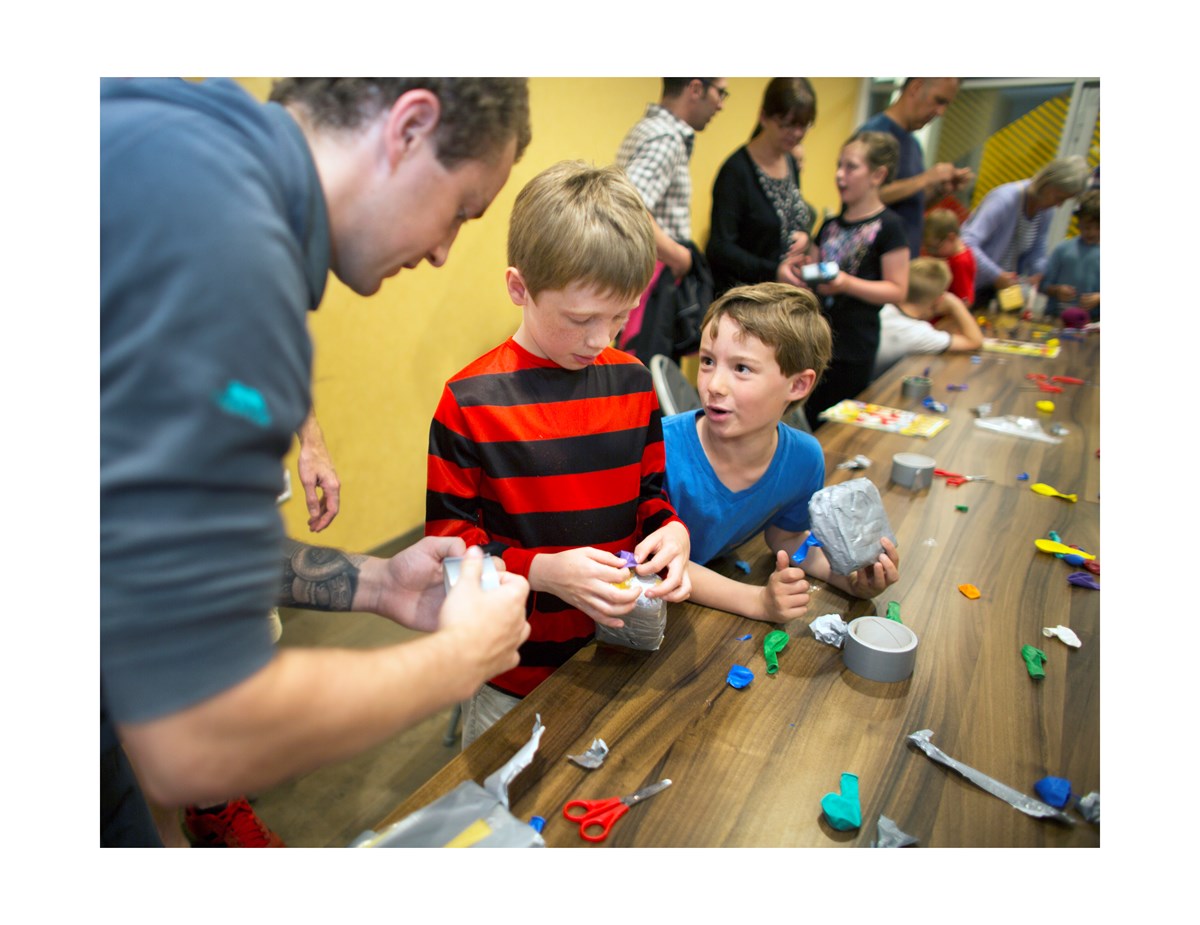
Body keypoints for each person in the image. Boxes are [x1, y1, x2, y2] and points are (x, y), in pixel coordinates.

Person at [101, 77, 535, 847]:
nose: (442, 253)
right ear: (409, 124)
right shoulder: (230, 253)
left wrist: (375, 580)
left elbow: (156, 544)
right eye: (461, 211)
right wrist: (458, 660)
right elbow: (197, 734)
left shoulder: (174, 131)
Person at [425, 161, 693, 748]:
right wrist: (540, 571)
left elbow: (650, 495)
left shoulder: (633, 382)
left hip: (616, 646)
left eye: (621, 317)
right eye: (581, 319)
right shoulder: (469, 404)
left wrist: (671, 531)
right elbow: (451, 557)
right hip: (511, 671)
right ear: (519, 288)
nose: (602, 340)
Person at [662, 283, 900, 622]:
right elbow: (654, 562)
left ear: (798, 385)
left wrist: (849, 581)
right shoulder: (660, 448)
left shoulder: (804, 459)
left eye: (741, 368)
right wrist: (758, 601)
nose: (713, 385)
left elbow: (786, 535)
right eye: (708, 361)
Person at [802, 131, 910, 430]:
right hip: (817, 341)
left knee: (840, 427)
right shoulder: (830, 225)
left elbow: (897, 289)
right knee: (810, 421)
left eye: (851, 167)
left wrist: (847, 284)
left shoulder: (890, 227)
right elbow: (810, 269)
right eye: (839, 165)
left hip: (854, 348)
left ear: (877, 175)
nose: (840, 175)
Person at [707, 78, 818, 297]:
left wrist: (804, 236)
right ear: (764, 116)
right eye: (786, 124)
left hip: (778, 295)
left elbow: (790, 217)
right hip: (745, 297)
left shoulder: (791, 163)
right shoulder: (736, 171)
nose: (796, 134)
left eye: (803, 126)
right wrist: (773, 270)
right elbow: (719, 248)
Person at [616, 78, 728, 280]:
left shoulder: (646, 128)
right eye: (720, 93)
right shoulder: (666, 138)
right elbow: (627, 207)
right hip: (655, 277)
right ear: (695, 89)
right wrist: (680, 258)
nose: (720, 105)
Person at [860, 78, 973, 256]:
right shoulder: (875, 134)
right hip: (872, 266)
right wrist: (925, 179)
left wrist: (940, 191)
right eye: (938, 100)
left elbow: (908, 205)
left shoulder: (913, 145)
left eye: (946, 105)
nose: (941, 112)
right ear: (916, 87)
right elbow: (864, 195)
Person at [960, 155, 1091, 308]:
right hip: (969, 287)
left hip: (999, 291)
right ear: (1048, 184)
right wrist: (996, 275)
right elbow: (966, 242)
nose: (1059, 205)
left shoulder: (1045, 211)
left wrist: (1038, 271)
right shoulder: (1004, 199)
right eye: (1059, 197)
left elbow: (1037, 250)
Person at [873, 257, 984, 378]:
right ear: (939, 300)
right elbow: (974, 341)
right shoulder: (918, 333)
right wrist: (954, 303)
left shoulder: (881, 305)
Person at [1039, 189, 1100, 323]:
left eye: (1098, 227)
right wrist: (1057, 290)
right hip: (1056, 318)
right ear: (1078, 223)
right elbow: (1042, 285)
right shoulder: (1063, 249)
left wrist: (1099, 298)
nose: (1092, 232)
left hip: (1094, 323)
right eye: (1087, 227)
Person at [922, 208, 976, 308]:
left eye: (934, 248)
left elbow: (965, 301)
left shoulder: (960, 263)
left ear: (951, 237)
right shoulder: (953, 255)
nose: (931, 253)